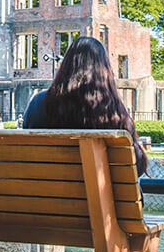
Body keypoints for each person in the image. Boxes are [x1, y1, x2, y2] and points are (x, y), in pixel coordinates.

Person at [23, 36, 147, 177]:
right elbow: (136, 168)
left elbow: (27, 153)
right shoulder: (112, 109)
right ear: (104, 68)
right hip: (99, 197)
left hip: (47, 195)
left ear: (66, 65)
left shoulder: (38, 103)